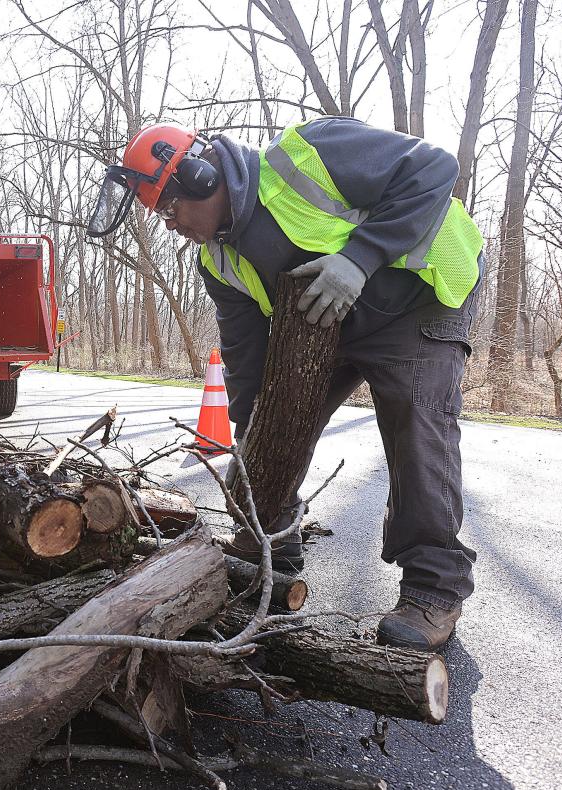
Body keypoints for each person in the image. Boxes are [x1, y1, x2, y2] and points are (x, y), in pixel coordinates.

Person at [87, 117, 484, 652]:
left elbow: (434, 169)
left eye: (168, 208)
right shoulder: (218, 260)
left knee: (416, 425)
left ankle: (434, 589)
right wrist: (253, 433)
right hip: (333, 320)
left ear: (203, 178)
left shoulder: (306, 155)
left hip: (421, 295)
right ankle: (268, 552)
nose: (169, 225)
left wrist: (359, 257)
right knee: (265, 435)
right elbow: (246, 356)